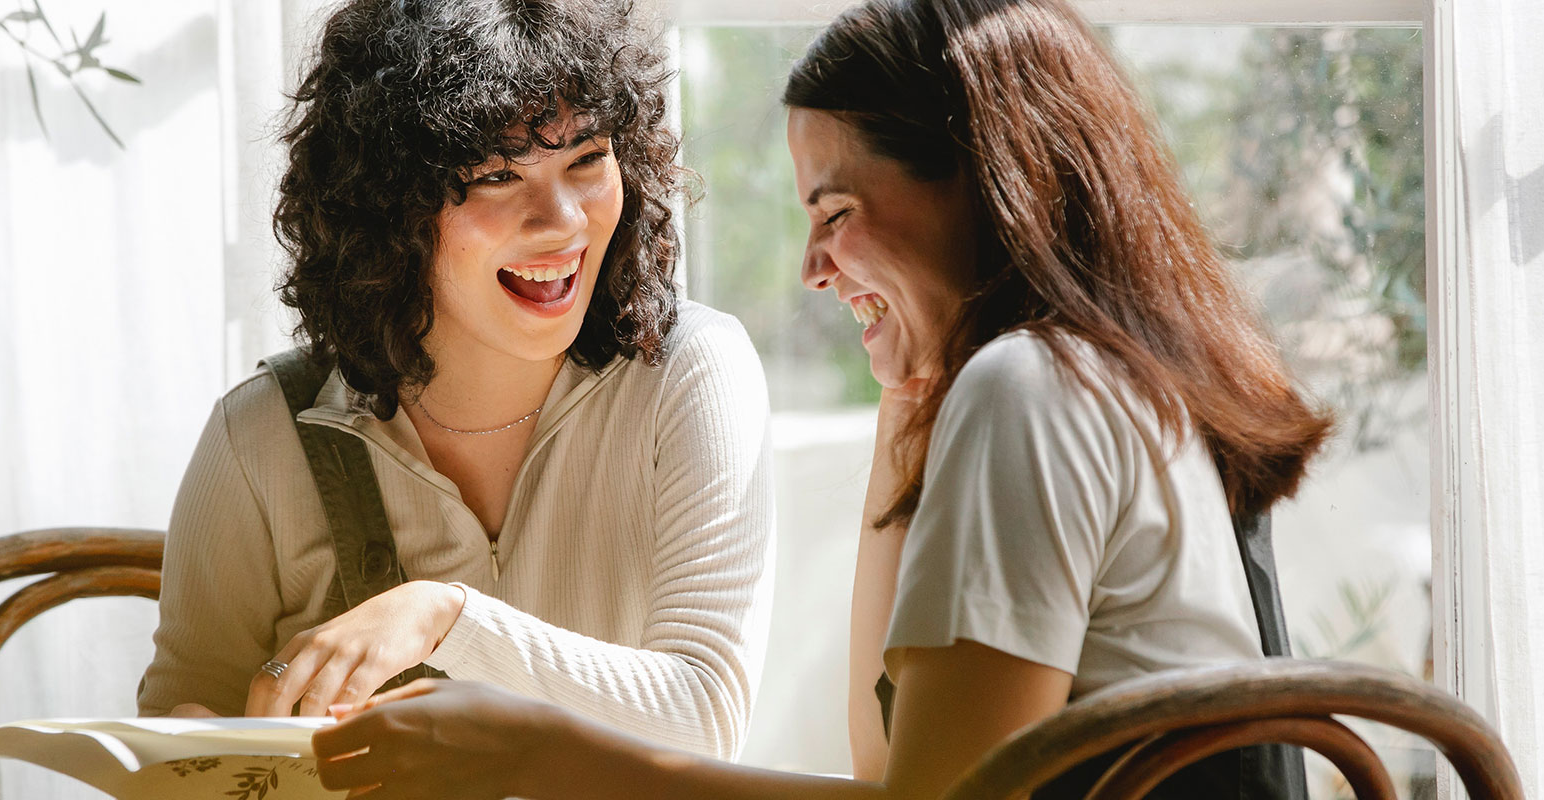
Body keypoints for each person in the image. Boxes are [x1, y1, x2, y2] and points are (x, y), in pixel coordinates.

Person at [307, 0, 1333, 797]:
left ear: (986, 186)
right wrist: (908, 401)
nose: (810, 266)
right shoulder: (1100, 380)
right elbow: (889, 762)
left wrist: (543, 751)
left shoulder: (1033, 392)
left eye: (835, 210)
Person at [135, 0, 776, 763]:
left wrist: (446, 619)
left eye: (587, 158)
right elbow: (177, 738)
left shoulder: (691, 373)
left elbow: (705, 719)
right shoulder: (261, 436)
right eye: (498, 174)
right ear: (387, 208)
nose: (562, 219)